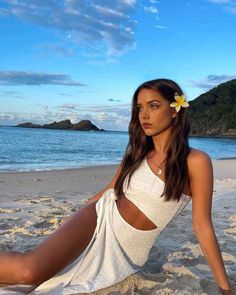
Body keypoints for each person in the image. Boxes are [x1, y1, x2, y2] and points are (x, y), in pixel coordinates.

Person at [0, 78, 235, 295]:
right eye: (139, 108)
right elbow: (109, 190)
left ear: (174, 110)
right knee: (28, 272)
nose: (144, 115)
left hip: (128, 251)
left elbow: (202, 226)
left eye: (153, 106)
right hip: (99, 217)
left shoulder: (196, 161)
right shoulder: (137, 154)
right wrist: (73, 219)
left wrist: (225, 289)